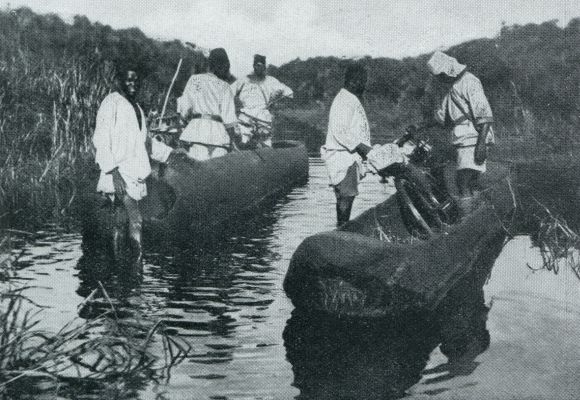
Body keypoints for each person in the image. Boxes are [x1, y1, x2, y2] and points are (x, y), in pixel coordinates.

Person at [419, 51, 494, 210]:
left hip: (473, 136)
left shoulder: (469, 82)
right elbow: (442, 117)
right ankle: (477, 211)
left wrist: (480, 145)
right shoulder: (447, 88)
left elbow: (484, 115)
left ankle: (468, 217)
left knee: (463, 182)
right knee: (469, 182)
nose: (439, 79)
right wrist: (423, 125)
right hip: (461, 138)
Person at [92, 67, 150, 262]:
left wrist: (170, 154)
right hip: (119, 174)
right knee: (136, 220)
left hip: (134, 174)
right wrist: (114, 173)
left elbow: (143, 142)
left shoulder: (137, 108)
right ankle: (137, 267)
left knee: (119, 222)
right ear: (119, 81)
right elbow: (101, 138)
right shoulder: (112, 103)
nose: (133, 84)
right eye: (128, 80)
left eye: (136, 80)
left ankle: (119, 269)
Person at [321, 62, 372, 226]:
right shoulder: (344, 100)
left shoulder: (350, 99)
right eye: (362, 81)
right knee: (345, 199)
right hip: (344, 158)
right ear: (354, 81)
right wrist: (363, 148)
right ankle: (341, 231)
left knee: (345, 199)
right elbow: (341, 130)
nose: (364, 85)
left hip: (348, 157)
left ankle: (341, 229)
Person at [177, 48, 238, 160]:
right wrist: (232, 142)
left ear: (209, 63)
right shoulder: (225, 87)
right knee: (217, 174)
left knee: (196, 173)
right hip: (219, 137)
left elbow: (184, 108)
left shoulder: (194, 79)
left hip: (196, 133)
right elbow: (229, 119)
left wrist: (183, 122)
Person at [231, 54, 294, 146]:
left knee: (266, 142)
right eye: (256, 65)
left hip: (262, 115)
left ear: (264, 66)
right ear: (253, 66)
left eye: (260, 65)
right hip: (246, 115)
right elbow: (229, 92)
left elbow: (289, 92)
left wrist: (276, 97)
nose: (258, 68)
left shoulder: (271, 81)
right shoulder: (244, 80)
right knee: (243, 142)